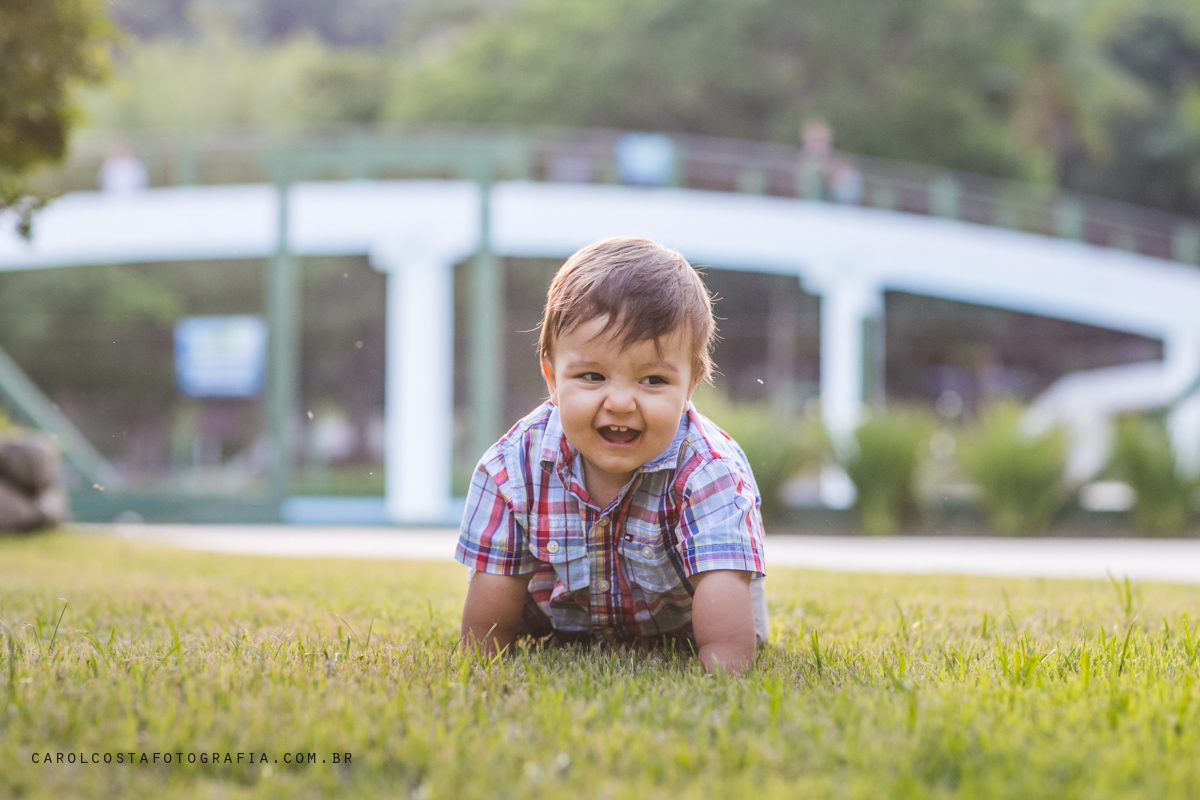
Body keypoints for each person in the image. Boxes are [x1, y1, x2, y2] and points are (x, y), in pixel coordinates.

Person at [457, 237, 768, 674]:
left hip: (680, 622)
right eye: (592, 376)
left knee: (734, 608)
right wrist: (482, 663)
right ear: (552, 377)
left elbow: (724, 610)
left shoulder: (708, 471)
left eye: (653, 380)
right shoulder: (512, 469)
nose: (620, 402)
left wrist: (724, 671)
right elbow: (493, 596)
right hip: (563, 621)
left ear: (690, 387)